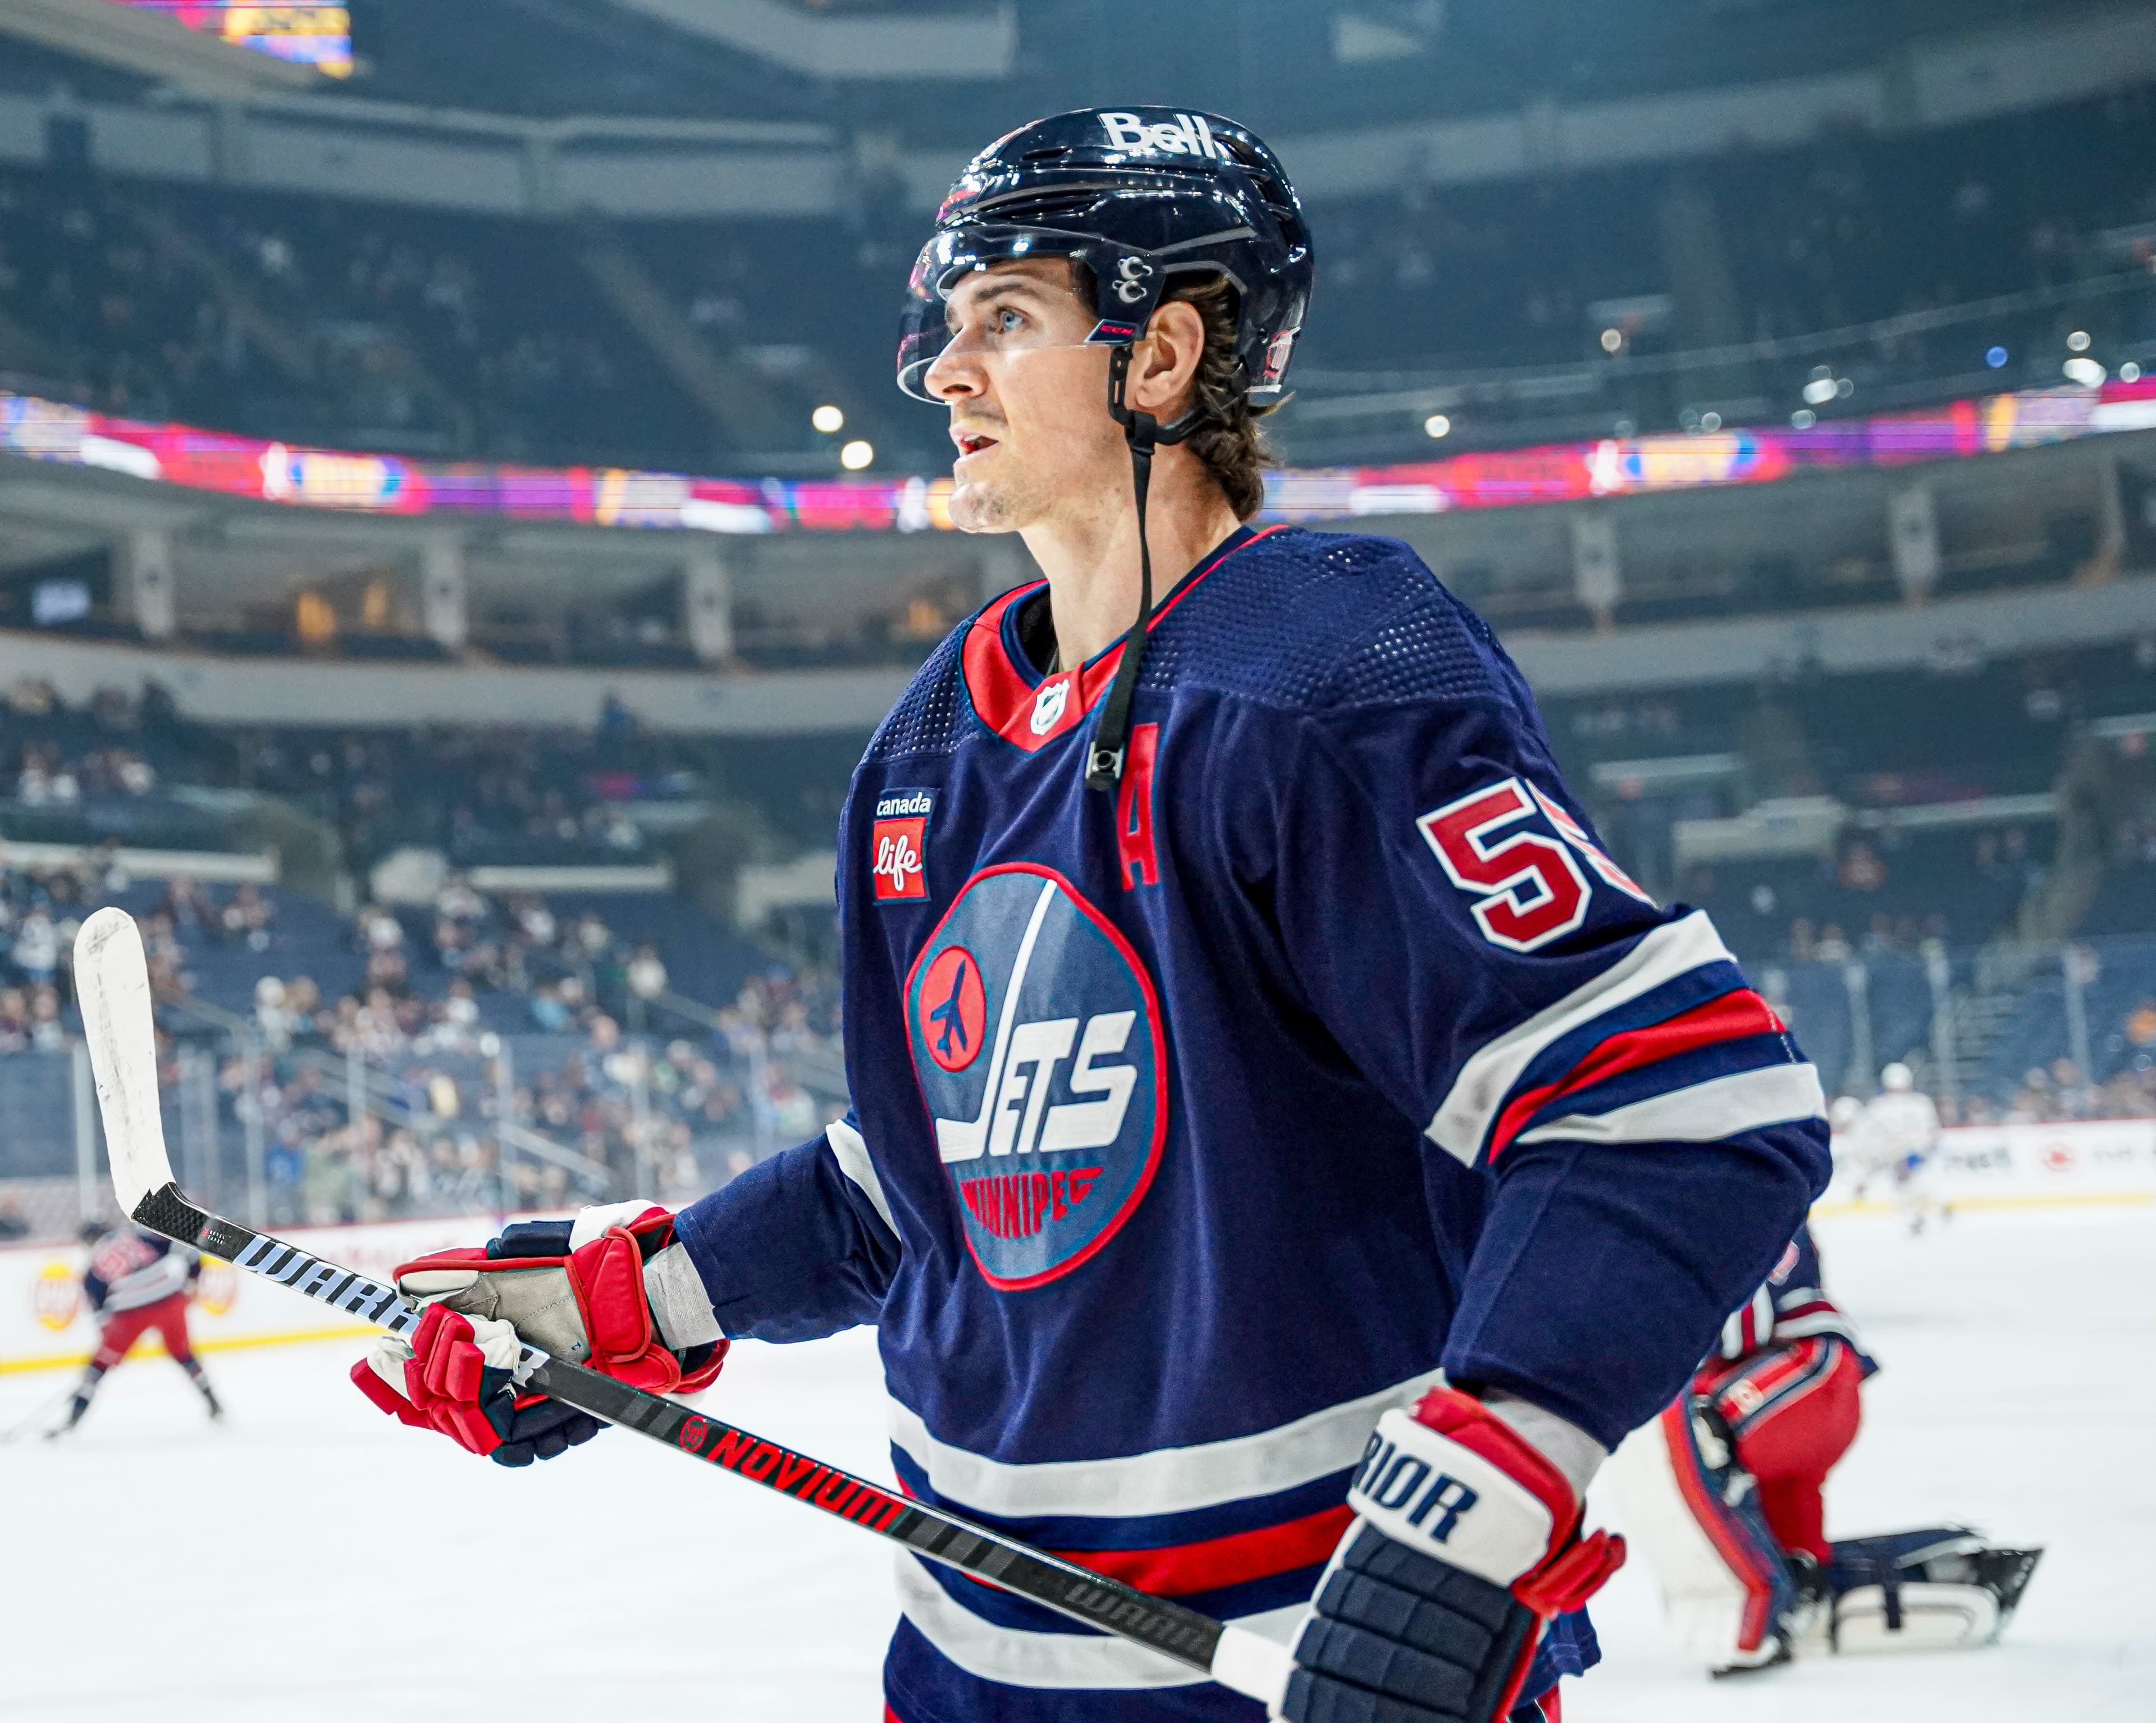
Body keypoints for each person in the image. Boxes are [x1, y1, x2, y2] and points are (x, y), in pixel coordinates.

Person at [351, 108, 1829, 1723]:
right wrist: (618, 1303)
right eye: (948, 328)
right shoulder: (927, 746)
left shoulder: (1325, 667)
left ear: (1164, 351)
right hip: (972, 1670)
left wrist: (1479, 1497)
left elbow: (1681, 1107)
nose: (943, 373)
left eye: (1006, 318)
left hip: (1306, 1670)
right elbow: (924, 1174)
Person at [1604, 1222, 2039, 1673]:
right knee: (1788, 1539)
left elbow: (1741, 1322)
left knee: (1696, 1431)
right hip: (1801, 1386)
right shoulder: (1732, 1187)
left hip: (1807, 1371)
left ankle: (1757, 1606)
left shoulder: (1736, 1199)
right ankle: (1802, 1590)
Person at [51, 1222, 222, 1435]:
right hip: (170, 1297)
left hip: (130, 1311)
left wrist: (109, 1342)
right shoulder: (134, 1235)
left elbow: (99, 1310)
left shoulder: (94, 1265)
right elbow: (183, 1248)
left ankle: (74, 1416)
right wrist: (193, 1277)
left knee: (99, 1364)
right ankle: (214, 1404)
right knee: (183, 1353)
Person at [1856, 1062, 1942, 1232]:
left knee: (1908, 1183)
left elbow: (1931, 1131)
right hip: (1892, 1153)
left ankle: (1919, 1214)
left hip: (1915, 1151)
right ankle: (1919, 1214)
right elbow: (1869, 1134)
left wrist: (1918, 1149)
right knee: (1905, 1186)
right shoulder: (1879, 1106)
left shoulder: (1920, 1103)